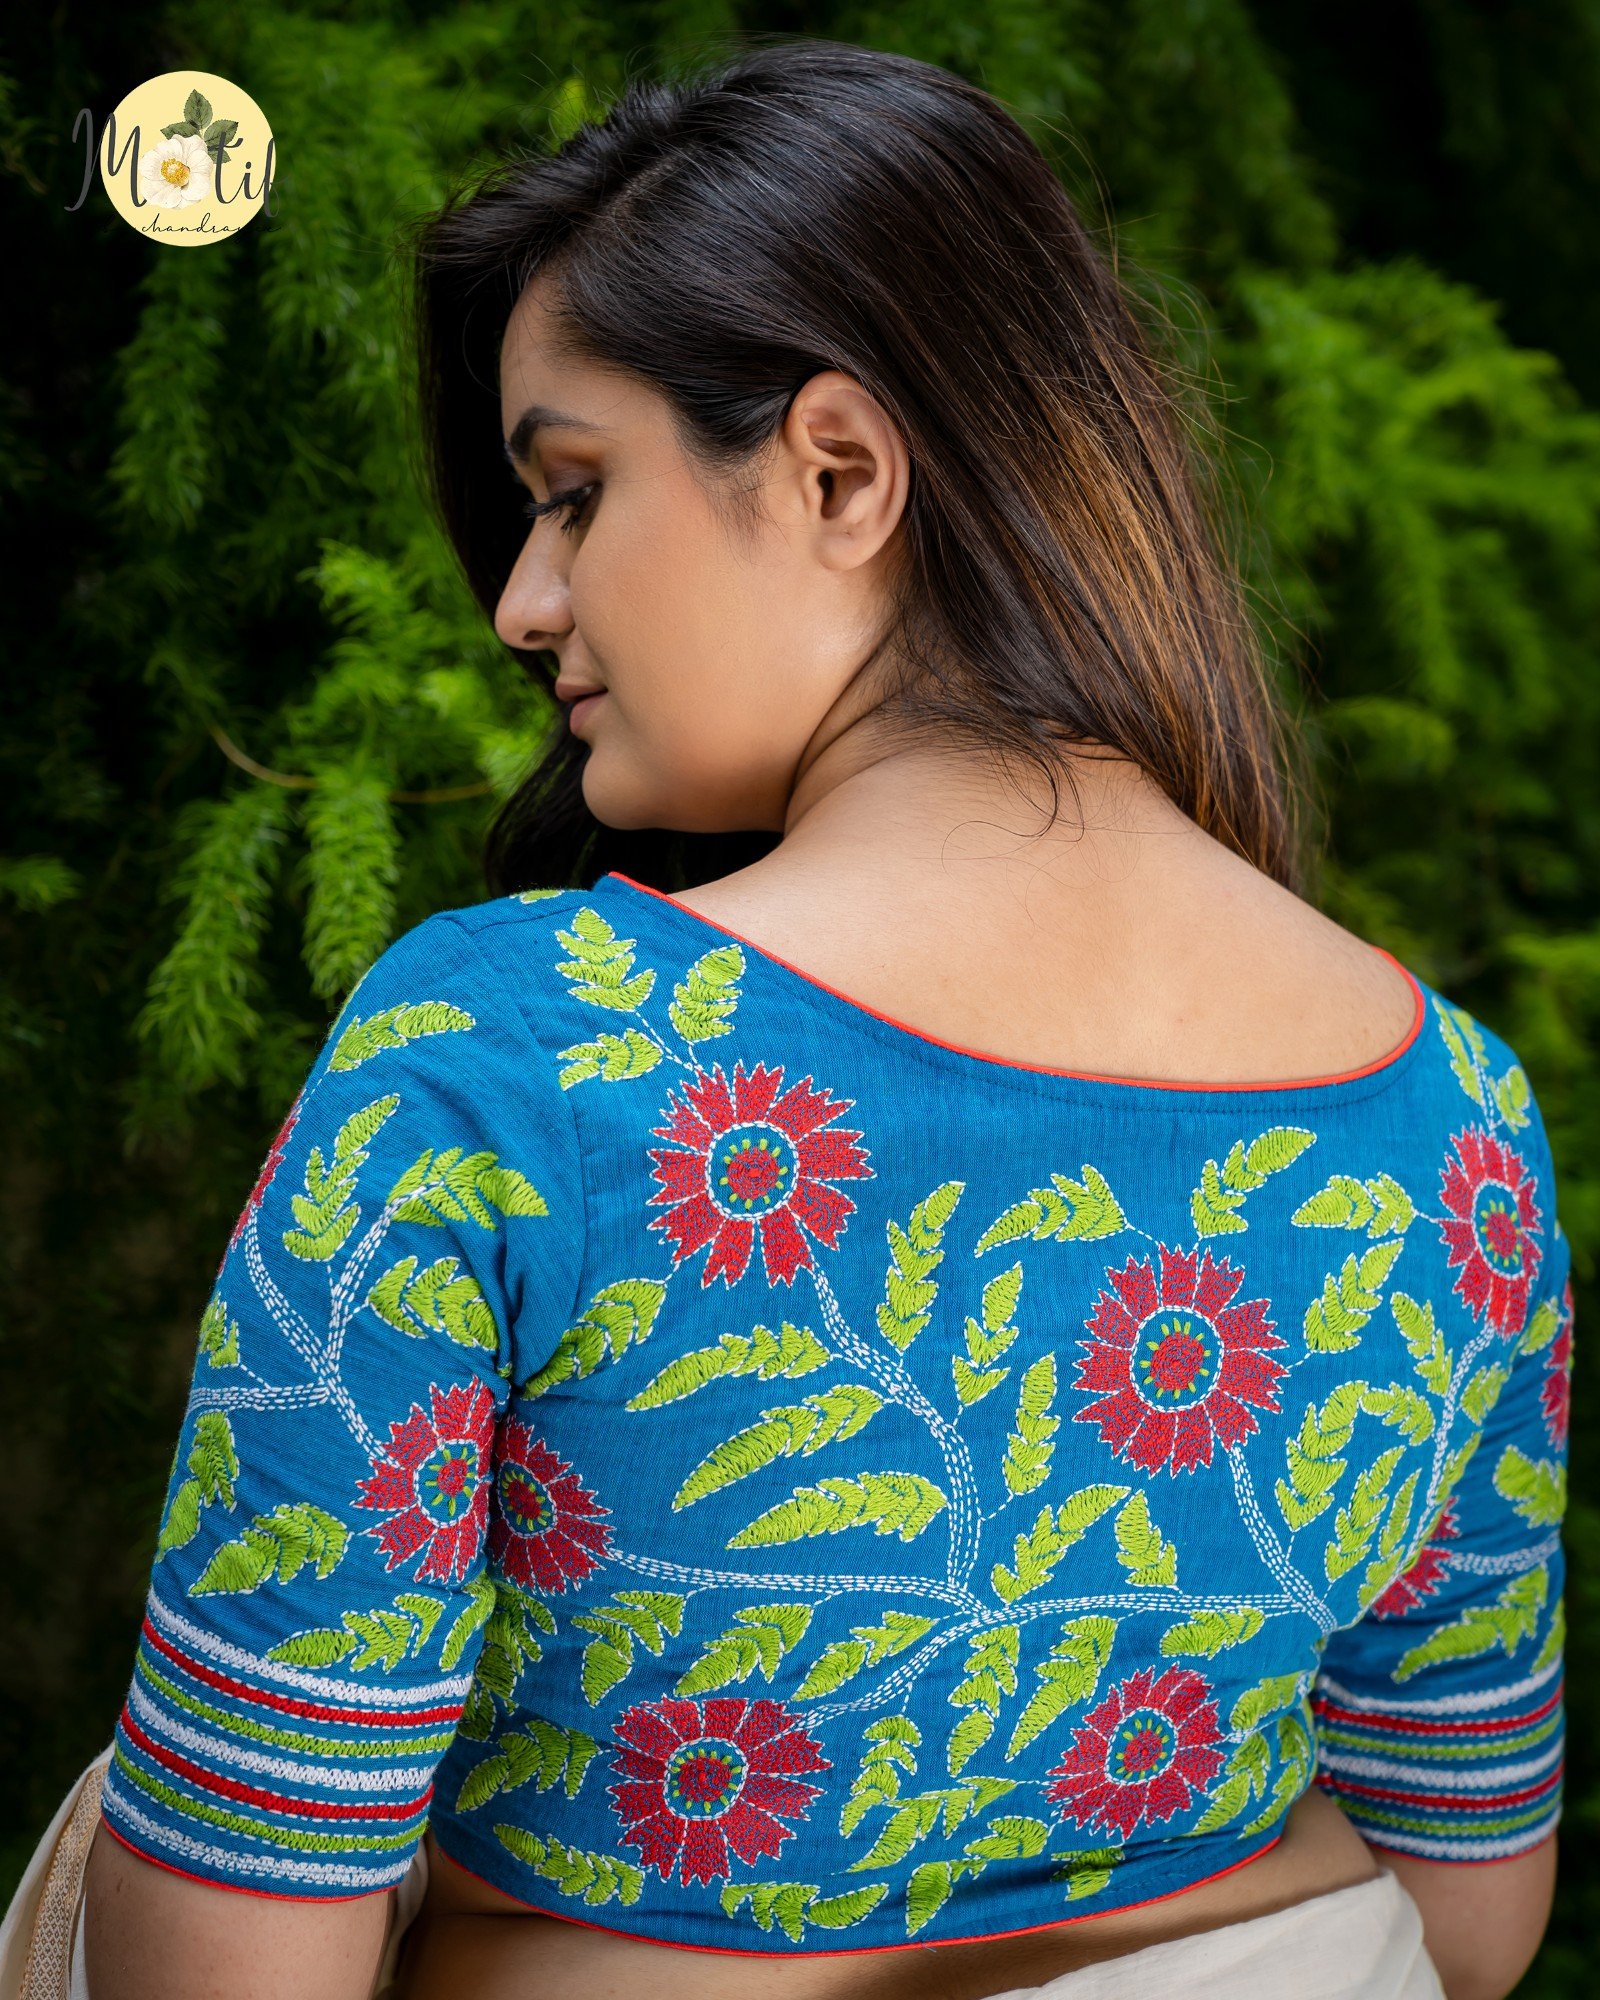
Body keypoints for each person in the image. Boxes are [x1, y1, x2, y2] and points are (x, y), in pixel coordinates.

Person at [78, 36, 1569, 2000]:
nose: (523, 603)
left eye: (572, 493)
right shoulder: (1455, 1118)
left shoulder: (517, 1057)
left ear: (837, 471)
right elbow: (1470, 1904)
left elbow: (229, 1953)